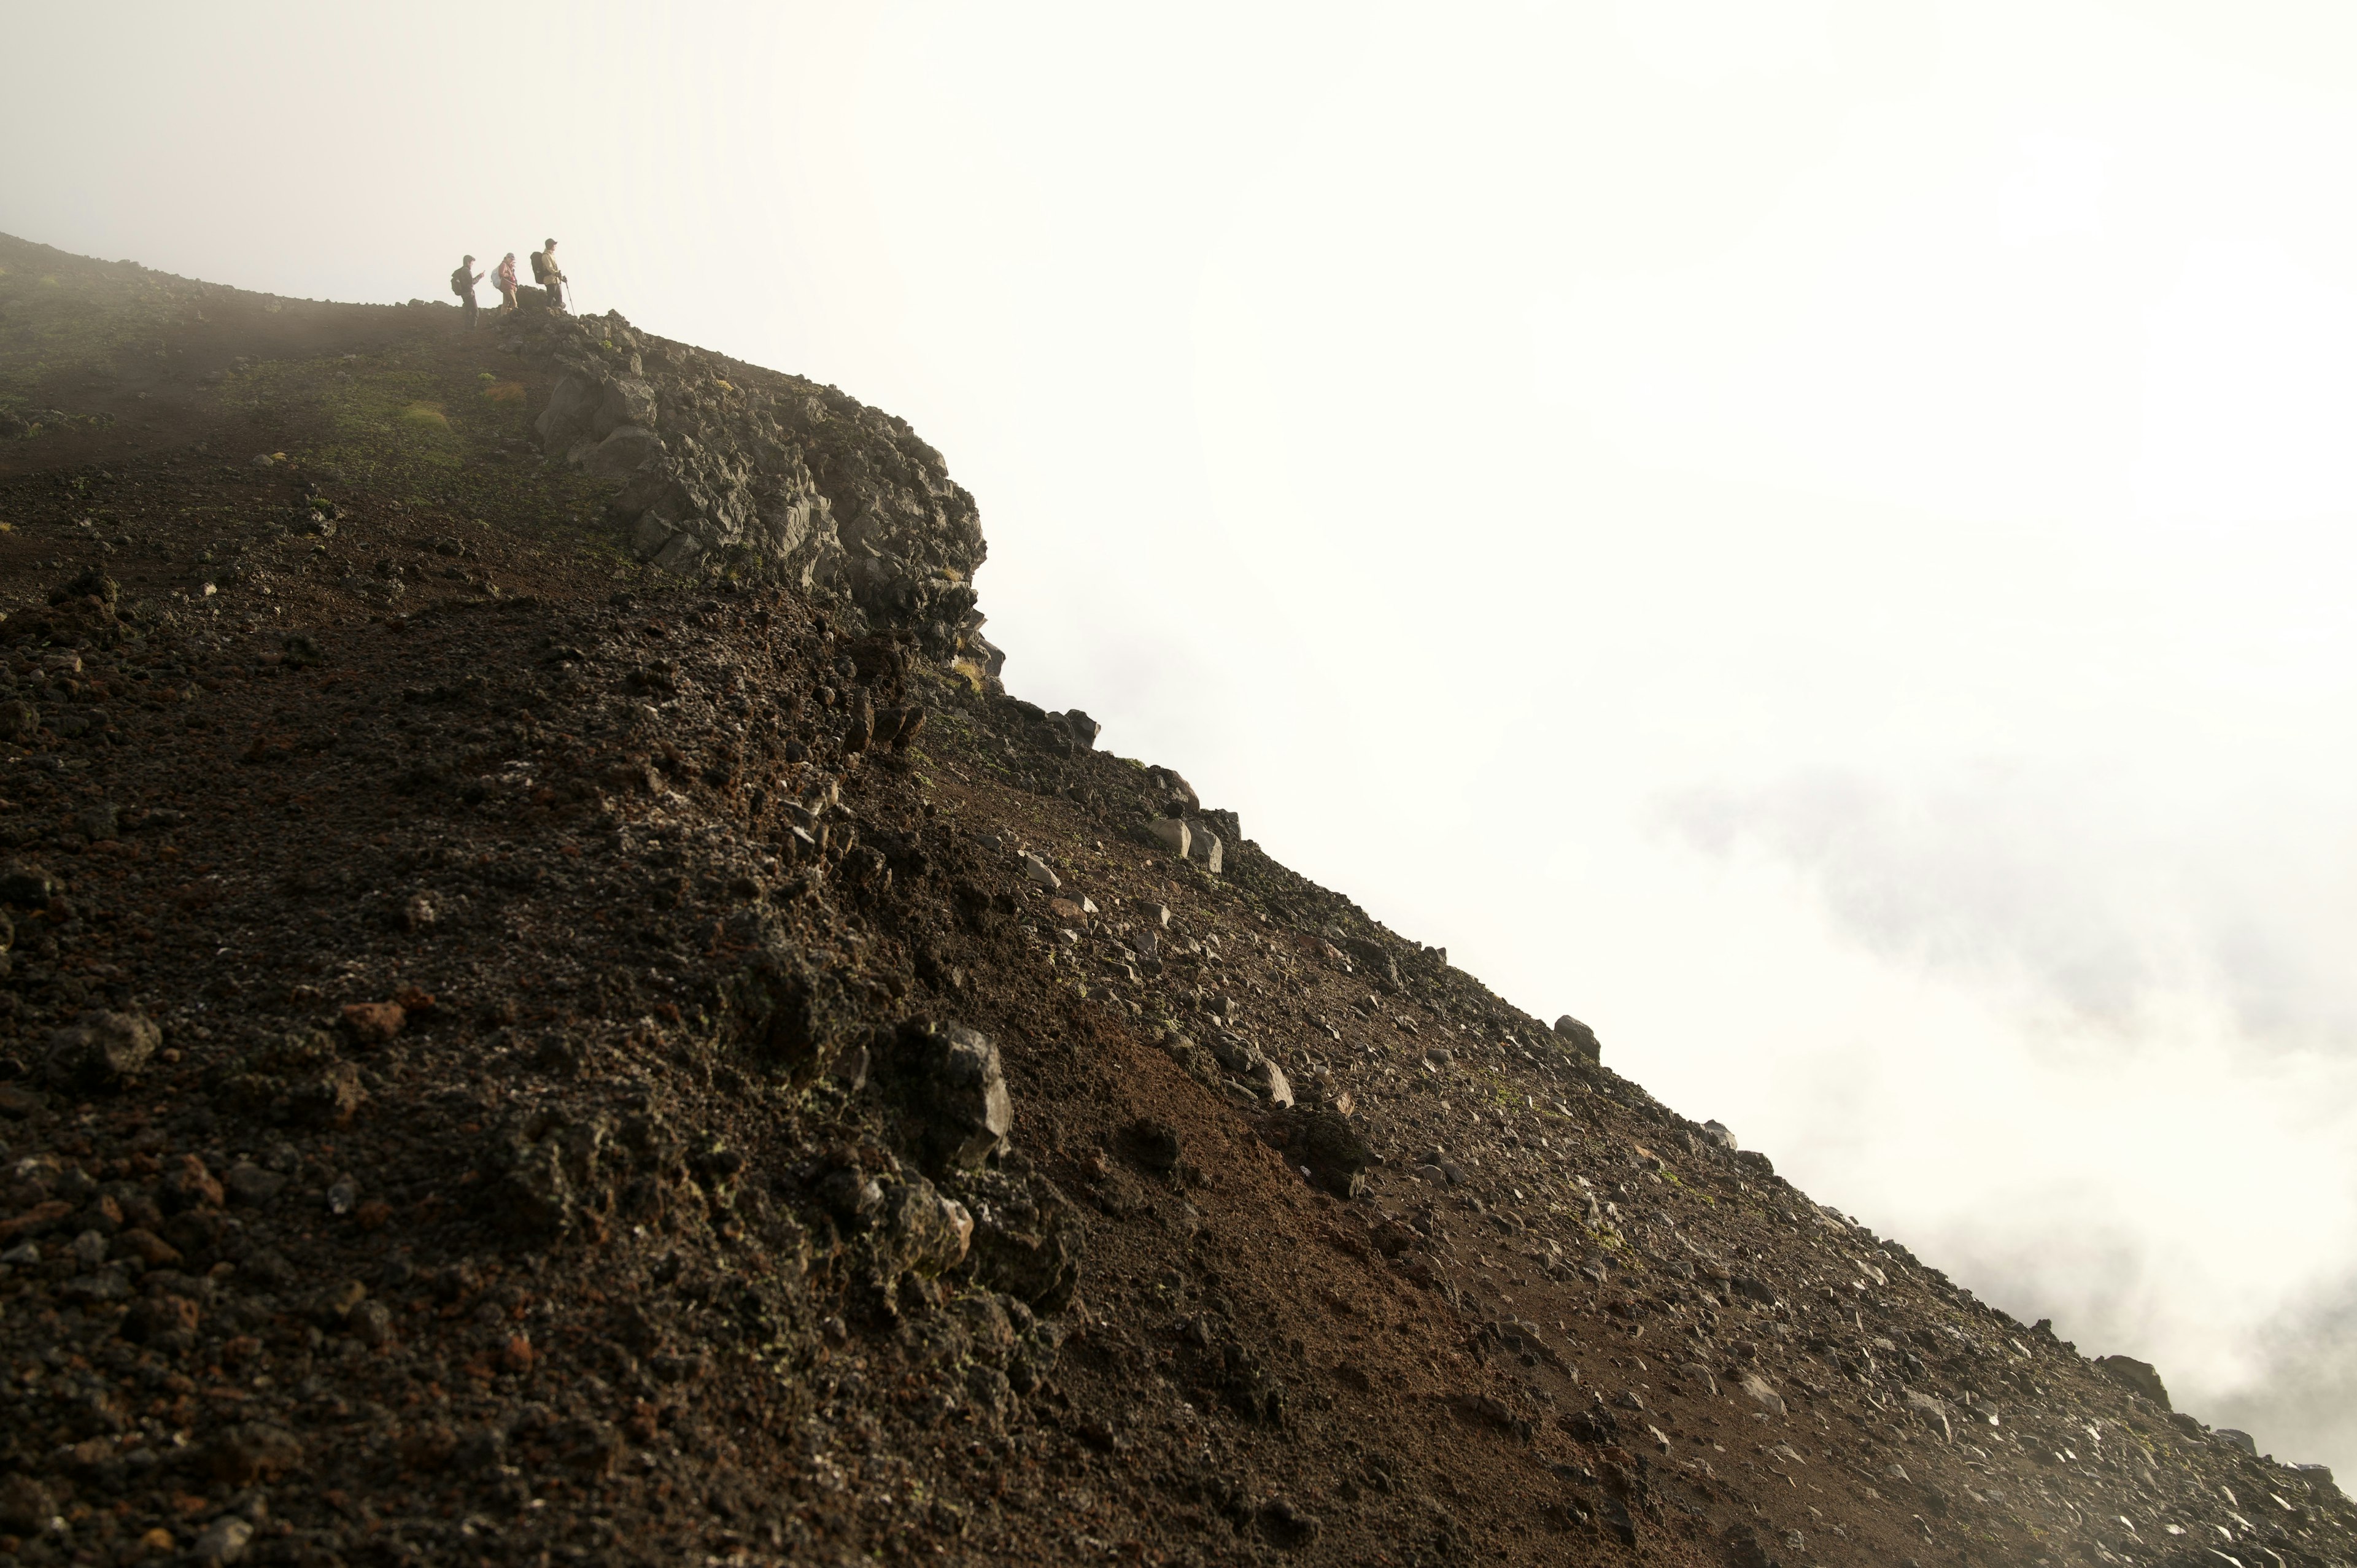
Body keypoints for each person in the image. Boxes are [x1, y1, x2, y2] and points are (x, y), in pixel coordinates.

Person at [449, 254, 484, 331]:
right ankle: (472, 329)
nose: (472, 265)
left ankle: (467, 328)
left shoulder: (461, 270)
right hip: (469, 294)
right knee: (475, 311)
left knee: (468, 311)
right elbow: (471, 283)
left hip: (464, 295)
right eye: (472, 263)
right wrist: (480, 277)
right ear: (468, 262)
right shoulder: (466, 270)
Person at [530, 238, 567, 312]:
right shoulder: (546, 256)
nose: (555, 246)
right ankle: (549, 312)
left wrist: (561, 278)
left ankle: (555, 312)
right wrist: (557, 274)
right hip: (550, 280)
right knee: (551, 296)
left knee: (559, 298)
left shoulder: (551, 255)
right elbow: (550, 268)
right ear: (551, 246)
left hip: (555, 280)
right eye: (554, 244)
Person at [493, 252, 519, 317]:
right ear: (507, 258)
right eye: (511, 259)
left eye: (513, 260)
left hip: (507, 286)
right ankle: (516, 316)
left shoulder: (509, 266)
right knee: (514, 303)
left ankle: (503, 316)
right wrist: (508, 275)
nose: (512, 261)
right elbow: (501, 273)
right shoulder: (504, 264)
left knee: (506, 303)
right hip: (507, 286)